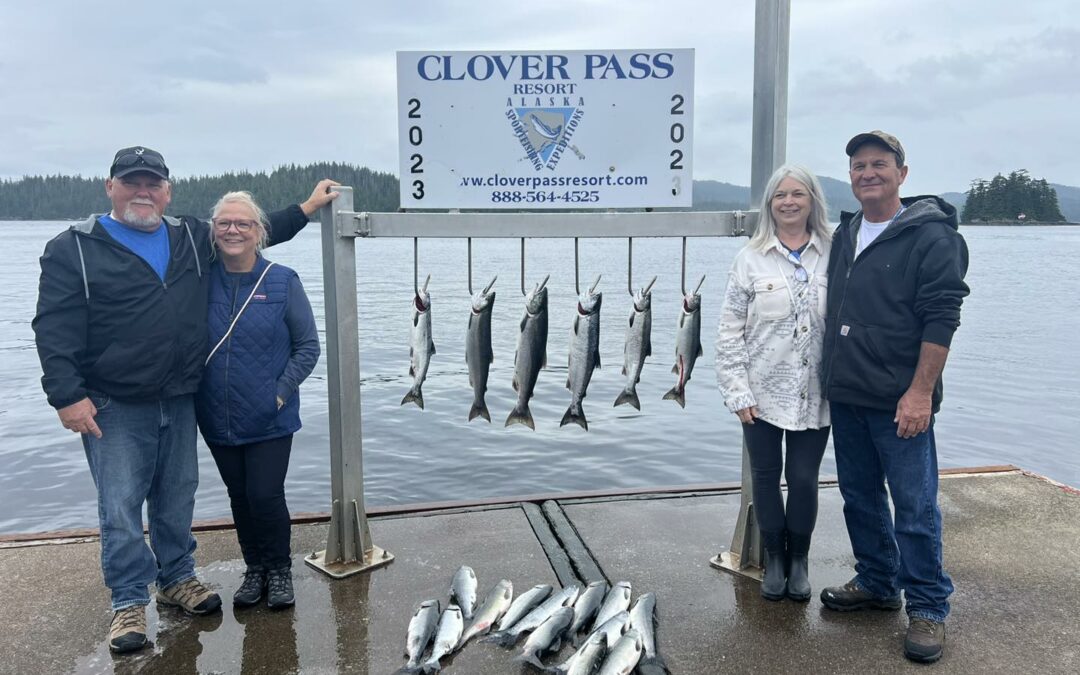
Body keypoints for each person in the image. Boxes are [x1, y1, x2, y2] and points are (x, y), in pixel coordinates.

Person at [32, 145, 338, 653]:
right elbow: (53, 327)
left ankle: (176, 578)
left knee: (177, 498)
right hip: (113, 403)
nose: (143, 192)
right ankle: (128, 602)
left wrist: (306, 208)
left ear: (167, 191)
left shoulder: (188, 237)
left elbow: (252, 232)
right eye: (132, 182)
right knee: (121, 506)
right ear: (111, 187)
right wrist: (66, 396)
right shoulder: (74, 247)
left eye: (153, 183)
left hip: (180, 397)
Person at [819, 131, 969, 664]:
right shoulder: (847, 231)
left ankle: (928, 606)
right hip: (849, 395)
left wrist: (921, 393)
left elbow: (942, 317)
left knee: (914, 505)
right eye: (859, 166)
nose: (868, 173)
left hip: (902, 401)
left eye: (879, 164)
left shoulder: (932, 237)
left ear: (902, 173)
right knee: (859, 499)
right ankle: (879, 582)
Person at [195, 191, 320, 611]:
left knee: (266, 495)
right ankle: (254, 569)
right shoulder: (199, 279)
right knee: (240, 497)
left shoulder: (282, 281)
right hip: (216, 414)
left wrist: (280, 391)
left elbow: (307, 347)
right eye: (224, 223)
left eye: (243, 224)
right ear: (213, 231)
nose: (233, 230)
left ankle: (279, 569)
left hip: (271, 414)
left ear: (260, 233)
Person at [716, 164, 832, 602]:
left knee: (803, 478)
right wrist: (736, 390)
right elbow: (729, 331)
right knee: (765, 478)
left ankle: (799, 558)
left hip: (817, 393)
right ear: (770, 204)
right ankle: (775, 558)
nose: (788, 202)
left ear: (812, 201)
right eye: (780, 195)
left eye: (797, 194)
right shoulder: (749, 258)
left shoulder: (834, 252)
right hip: (760, 393)